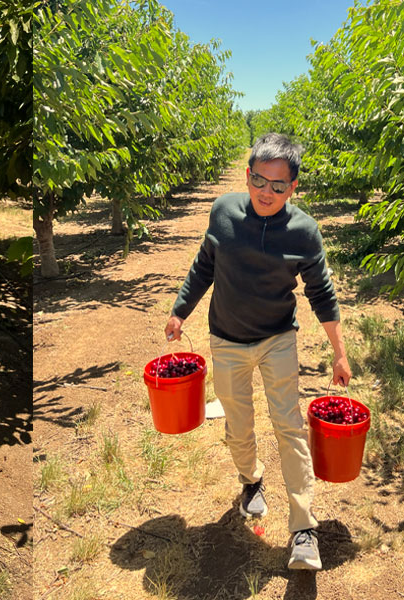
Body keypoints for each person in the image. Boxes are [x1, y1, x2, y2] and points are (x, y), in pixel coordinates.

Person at [164, 132, 351, 571]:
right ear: (247, 176)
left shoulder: (303, 232)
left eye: (278, 185)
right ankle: (251, 481)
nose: (267, 192)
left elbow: (322, 293)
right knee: (239, 423)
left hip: (277, 339)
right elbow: (204, 265)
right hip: (226, 339)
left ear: (294, 188)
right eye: (258, 181)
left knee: (289, 425)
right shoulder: (224, 211)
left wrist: (339, 352)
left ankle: (303, 529)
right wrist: (180, 311)